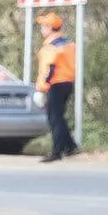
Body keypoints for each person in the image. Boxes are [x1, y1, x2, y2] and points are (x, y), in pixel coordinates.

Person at [35, 12, 79, 162]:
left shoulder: (51, 46)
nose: (41, 29)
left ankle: (57, 151)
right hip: (67, 82)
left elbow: (50, 68)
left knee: (54, 118)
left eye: (43, 26)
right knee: (59, 116)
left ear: (49, 28)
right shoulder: (68, 44)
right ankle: (70, 146)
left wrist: (43, 86)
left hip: (55, 84)